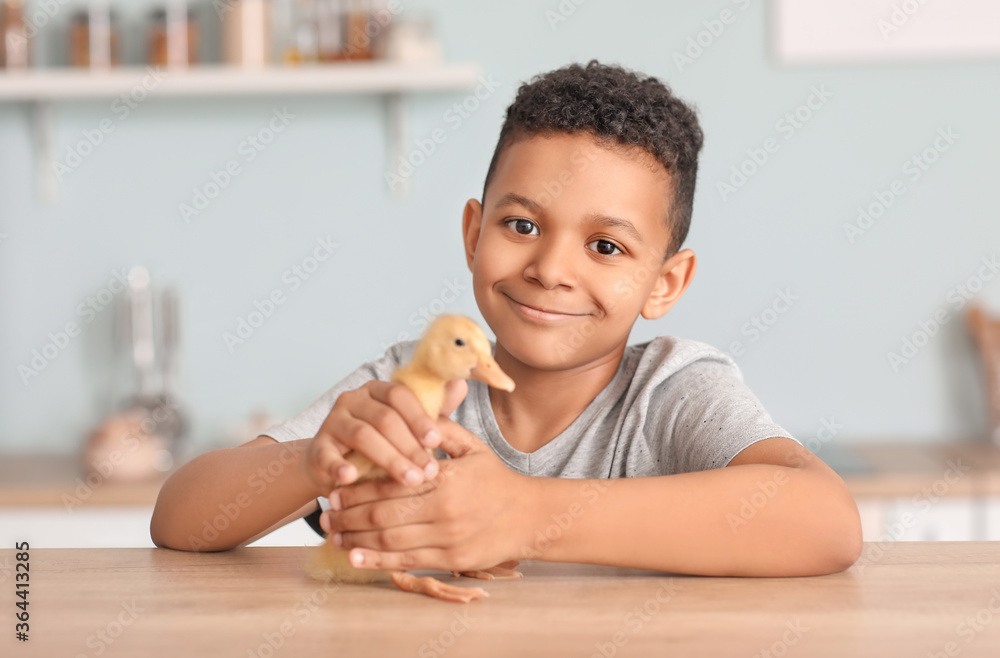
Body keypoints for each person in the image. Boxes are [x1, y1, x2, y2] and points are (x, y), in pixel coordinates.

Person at [150, 60, 862, 577]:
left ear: (664, 282)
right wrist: (312, 459)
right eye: (521, 226)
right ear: (473, 232)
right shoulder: (412, 382)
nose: (550, 269)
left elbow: (825, 522)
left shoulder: (672, 393)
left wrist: (524, 513)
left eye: (605, 246)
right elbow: (179, 517)